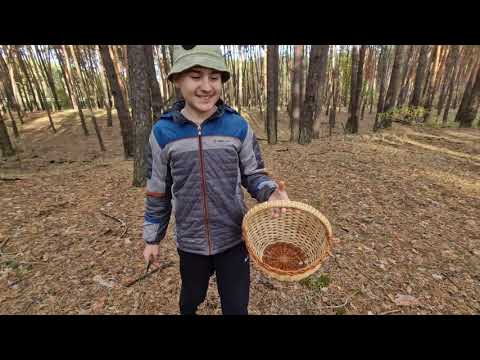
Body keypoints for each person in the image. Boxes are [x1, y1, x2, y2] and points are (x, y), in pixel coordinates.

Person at [142, 45, 289, 315]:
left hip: (233, 239)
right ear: (177, 79)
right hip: (191, 242)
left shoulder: (237, 127)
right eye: (196, 76)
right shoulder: (163, 132)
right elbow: (157, 191)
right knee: (190, 300)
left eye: (214, 77)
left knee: (236, 308)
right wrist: (152, 239)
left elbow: (254, 174)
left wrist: (270, 192)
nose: (207, 86)